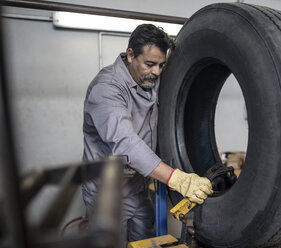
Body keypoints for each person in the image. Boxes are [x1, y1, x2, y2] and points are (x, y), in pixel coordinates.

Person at [81, 24, 213, 247]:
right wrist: (175, 178)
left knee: (147, 242)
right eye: (150, 64)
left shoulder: (152, 78)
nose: (157, 72)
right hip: (106, 195)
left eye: (161, 65)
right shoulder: (107, 89)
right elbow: (125, 143)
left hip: (137, 187)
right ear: (130, 55)